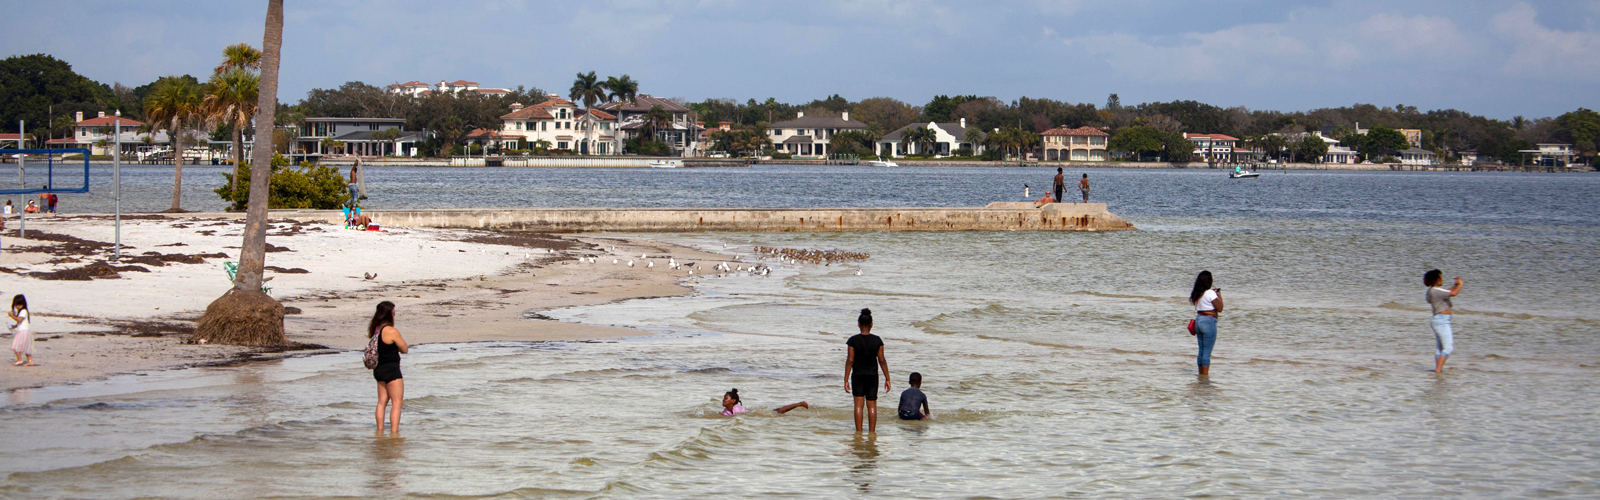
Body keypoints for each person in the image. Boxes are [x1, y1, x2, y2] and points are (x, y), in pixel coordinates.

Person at [844, 308, 890, 433]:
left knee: (858, 406)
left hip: (858, 375)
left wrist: (846, 379)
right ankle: (872, 433)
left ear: (858, 324)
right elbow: (882, 360)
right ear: (871, 325)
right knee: (872, 406)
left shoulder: (853, 340)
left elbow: (850, 360)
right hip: (872, 376)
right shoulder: (877, 340)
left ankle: (858, 433)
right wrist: (887, 378)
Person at [369, 301, 408, 432]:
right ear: (389, 314)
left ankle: (379, 431)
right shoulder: (390, 331)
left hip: (379, 369)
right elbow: (405, 349)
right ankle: (394, 432)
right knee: (397, 403)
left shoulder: (376, 329)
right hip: (392, 370)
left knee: (381, 402)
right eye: (393, 313)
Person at [1424, 269, 1463, 374]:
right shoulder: (1436, 290)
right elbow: (1453, 293)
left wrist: (1454, 285)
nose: (1442, 280)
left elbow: (1447, 292)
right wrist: (1460, 285)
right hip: (1442, 320)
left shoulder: (1432, 291)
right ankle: (1438, 370)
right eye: (1440, 278)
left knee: (1440, 348)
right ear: (1435, 280)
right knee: (1448, 347)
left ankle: (1438, 369)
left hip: (1438, 320)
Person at [1190, 271, 1222, 377]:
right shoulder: (1210, 293)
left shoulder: (1198, 293)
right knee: (1207, 351)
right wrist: (1219, 295)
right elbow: (1220, 308)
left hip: (1199, 320)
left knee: (1201, 350)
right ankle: (1204, 377)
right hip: (1209, 321)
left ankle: (1201, 375)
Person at [721, 388, 809, 416]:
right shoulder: (726, 410)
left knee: (780, 411)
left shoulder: (736, 408)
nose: (723, 400)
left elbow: (736, 417)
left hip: (755, 415)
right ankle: (799, 404)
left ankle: (800, 403)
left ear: (733, 401)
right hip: (754, 416)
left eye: (726, 398)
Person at [10, 295, 33, 366]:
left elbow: (19, 319)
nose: (18, 306)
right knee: (27, 347)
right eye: (16, 305)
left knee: (16, 346)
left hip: (23, 332)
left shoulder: (23, 311)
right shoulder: (23, 311)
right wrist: (15, 326)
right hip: (25, 330)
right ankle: (30, 360)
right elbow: (20, 322)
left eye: (19, 304)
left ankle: (20, 360)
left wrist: (11, 316)